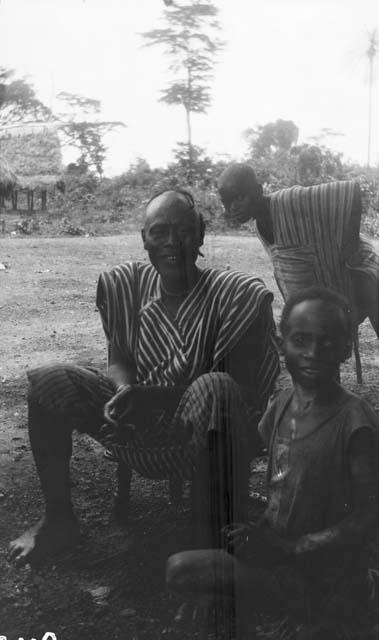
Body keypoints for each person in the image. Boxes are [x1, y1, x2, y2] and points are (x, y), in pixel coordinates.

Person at [9, 189, 279, 565]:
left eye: (183, 231)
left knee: (216, 388)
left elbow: (242, 389)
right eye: (159, 231)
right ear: (144, 239)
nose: (172, 242)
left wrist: (154, 396)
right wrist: (122, 392)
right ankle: (59, 520)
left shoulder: (233, 295)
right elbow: (119, 358)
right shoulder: (128, 286)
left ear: (201, 234)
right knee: (50, 381)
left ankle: (211, 549)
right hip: (134, 418)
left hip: (205, 425)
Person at [166, 287, 379, 639]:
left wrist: (295, 547)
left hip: (324, 572)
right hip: (277, 555)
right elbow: (256, 461)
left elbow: (369, 516)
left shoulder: (355, 421)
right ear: (282, 345)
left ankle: (332, 608)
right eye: (301, 340)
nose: (312, 353)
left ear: (345, 349)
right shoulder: (281, 405)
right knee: (180, 570)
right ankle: (268, 604)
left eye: (326, 342)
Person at [217, 163, 379, 336]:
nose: (233, 207)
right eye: (227, 201)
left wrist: (349, 249)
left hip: (361, 263)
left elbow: (350, 191)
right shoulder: (258, 226)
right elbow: (289, 268)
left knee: (370, 287)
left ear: (258, 191)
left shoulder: (289, 199)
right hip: (327, 276)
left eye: (240, 197)